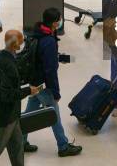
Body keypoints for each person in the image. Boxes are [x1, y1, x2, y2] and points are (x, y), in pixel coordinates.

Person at [23, 8, 83, 157]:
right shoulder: (48, 41)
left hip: (34, 82)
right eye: (60, 19)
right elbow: (50, 71)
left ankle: (20, 140)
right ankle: (63, 146)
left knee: (28, 114)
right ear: (55, 23)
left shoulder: (36, 33)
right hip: (43, 84)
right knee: (53, 115)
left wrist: (60, 58)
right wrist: (55, 92)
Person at [0, 30, 40, 166]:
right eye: (21, 42)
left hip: (12, 115)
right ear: (15, 45)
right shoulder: (9, 65)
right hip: (6, 116)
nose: (22, 44)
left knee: (17, 146)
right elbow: (7, 95)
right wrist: (28, 90)